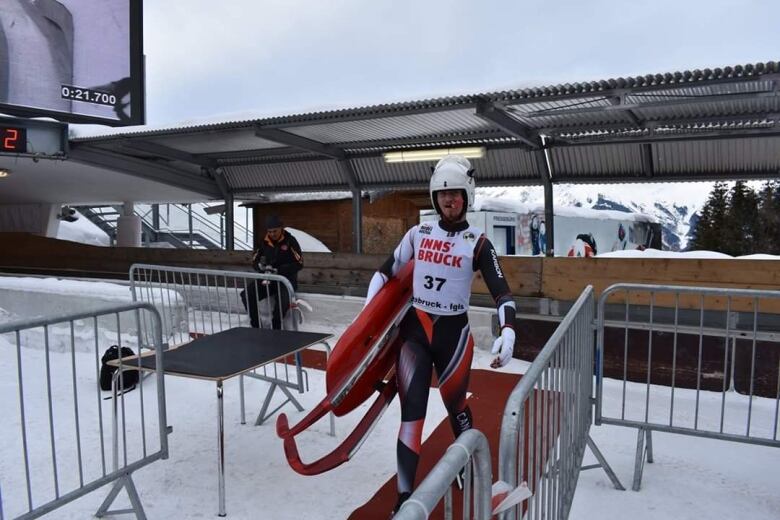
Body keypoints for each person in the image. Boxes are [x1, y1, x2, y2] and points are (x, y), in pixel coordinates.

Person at [363, 155, 517, 515]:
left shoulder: (477, 241)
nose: (450, 201)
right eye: (444, 195)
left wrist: (508, 330)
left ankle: (468, 464)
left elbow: (503, 292)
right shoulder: (418, 234)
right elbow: (383, 275)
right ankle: (404, 498)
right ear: (435, 198)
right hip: (415, 335)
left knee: (456, 408)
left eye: (456, 195)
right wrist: (366, 320)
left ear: (467, 197)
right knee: (411, 414)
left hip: (453, 337)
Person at [241, 215, 303, 329]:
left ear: (281, 228)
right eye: (270, 231)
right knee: (247, 294)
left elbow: (299, 263)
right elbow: (255, 259)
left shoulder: (290, 241)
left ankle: (276, 327)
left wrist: (280, 270)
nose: (273, 234)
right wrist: (259, 267)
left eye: (275, 231)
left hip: (286, 281)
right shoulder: (264, 242)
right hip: (268, 279)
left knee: (283, 300)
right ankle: (256, 325)